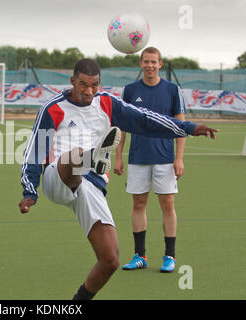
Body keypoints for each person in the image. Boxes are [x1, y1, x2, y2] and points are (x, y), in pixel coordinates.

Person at [18, 58, 218, 300]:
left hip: (90, 186)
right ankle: (93, 156)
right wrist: (30, 191)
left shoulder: (107, 104)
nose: (89, 91)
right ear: (72, 82)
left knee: (110, 260)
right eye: (83, 85)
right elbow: (35, 151)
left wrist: (187, 127)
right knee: (75, 155)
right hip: (58, 177)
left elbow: (146, 120)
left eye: (94, 85)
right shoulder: (52, 108)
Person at [114, 47, 186, 272]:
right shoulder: (130, 91)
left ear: (160, 64)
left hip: (165, 158)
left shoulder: (172, 90)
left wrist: (179, 158)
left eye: (154, 62)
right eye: (146, 62)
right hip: (138, 158)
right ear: (140, 63)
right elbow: (122, 127)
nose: (150, 66)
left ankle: (170, 257)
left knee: (168, 204)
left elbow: (181, 127)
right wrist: (118, 156)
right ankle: (140, 256)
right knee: (138, 204)